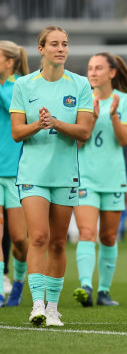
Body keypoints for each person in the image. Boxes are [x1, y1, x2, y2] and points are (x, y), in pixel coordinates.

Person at [9, 26, 94, 326]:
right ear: (41, 49)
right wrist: (38, 125)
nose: (61, 49)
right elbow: (17, 132)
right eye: (54, 44)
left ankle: (54, 308)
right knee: (39, 237)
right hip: (32, 173)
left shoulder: (81, 84)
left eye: (65, 44)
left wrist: (55, 122)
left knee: (58, 242)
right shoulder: (24, 85)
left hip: (65, 175)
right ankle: (38, 306)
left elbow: (84, 131)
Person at [72, 53, 127, 308]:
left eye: (98, 68)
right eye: (89, 68)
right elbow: (78, 141)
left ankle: (104, 291)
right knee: (87, 233)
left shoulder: (125, 100)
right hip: (85, 177)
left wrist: (114, 115)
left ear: (112, 72)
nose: (93, 72)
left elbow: (123, 140)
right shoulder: (81, 100)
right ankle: (86, 285)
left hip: (113, 178)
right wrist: (93, 117)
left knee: (108, 237)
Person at [0, 40, 29, 307]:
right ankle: (0, 285)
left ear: (10, 62)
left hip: (14, 172)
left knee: (20, 238)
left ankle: (18, 281)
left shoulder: (19, 86)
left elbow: (13, 108)